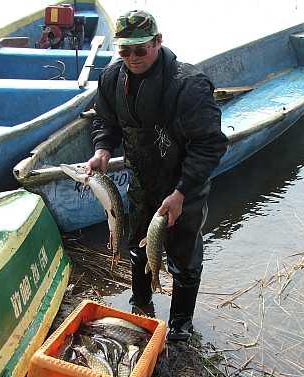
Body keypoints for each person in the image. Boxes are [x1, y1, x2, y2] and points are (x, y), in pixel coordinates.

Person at [85, 9, 228, 342]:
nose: (132, 57)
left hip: (184, 188)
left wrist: (181, 194)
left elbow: (210, 146)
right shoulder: (110, 78)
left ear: (158, 42)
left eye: (140, 49)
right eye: (124, 50)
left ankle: (180, 324)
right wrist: (103, 149)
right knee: (138, 245)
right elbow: (104, 120)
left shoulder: (188, 85)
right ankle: (141, 303)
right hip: (141, 181)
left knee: (184, 257)